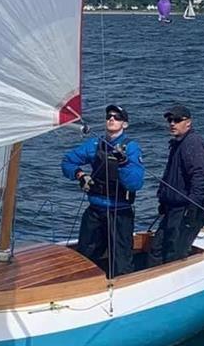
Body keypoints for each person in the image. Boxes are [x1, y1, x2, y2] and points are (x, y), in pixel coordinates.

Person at [61, 104, 145, 278]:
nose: (111, 119)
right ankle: (84, 286)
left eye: (117, 117)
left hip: (119, 212)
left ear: (125, 124)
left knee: (121, 262)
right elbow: (67, 161)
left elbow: (135, 183)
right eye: (109, 116)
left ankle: (123, 291)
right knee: (85, 257)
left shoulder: (131, 148)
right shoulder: (94, 144)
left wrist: (122, 163)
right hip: (95, 210)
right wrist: (80, 175)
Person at [145, 102, 204, 267]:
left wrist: (193, 207)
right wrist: (163, 201)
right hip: (173, 208)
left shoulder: (192, 143)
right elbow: (171, 178)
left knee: (175, 253)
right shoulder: (177, 143)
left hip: (187, 209)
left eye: (177, 120)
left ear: (188, 122)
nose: (172, 123)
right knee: (157, 248)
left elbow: (200, 176)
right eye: (170, 120)